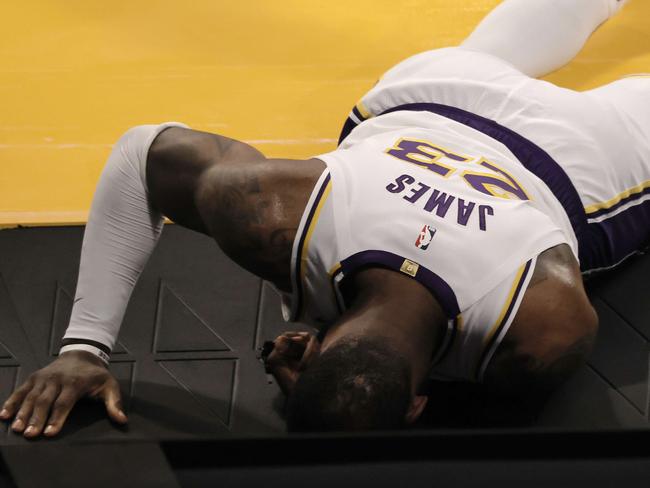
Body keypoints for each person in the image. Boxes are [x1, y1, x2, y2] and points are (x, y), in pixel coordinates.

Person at [2, 0, 647, 436]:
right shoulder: (280, 217)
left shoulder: (541, 327)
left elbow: (473, 359)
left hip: (571, 152)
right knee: (493, 55)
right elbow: (144, 149)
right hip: (439, 93)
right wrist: (80, 349)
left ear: (418, 405)